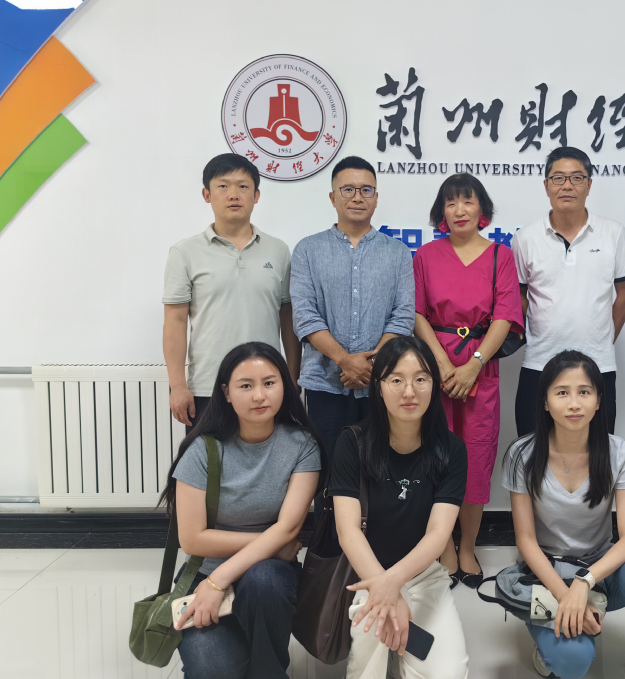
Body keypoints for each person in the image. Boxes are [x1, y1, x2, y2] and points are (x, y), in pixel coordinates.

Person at [503, 350, 625, 679]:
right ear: (545, 402)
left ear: (598, 401)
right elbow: (526, 540)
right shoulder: (522, 454)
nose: (574, 403)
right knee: (575, 660)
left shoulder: (617, 452)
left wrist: (584, 583)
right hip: (544, 573)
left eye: (584, 392)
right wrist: (565, 596)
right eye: (562, 392)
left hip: (598, 568)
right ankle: (546, 646)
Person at [160, 341, 323, 679]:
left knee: (264, 581)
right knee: (213, 670)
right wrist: (273, 544)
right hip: (203, 575)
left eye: (269, 383)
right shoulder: (202, 449)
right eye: (246, 386)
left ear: (285, 385)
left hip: (267, 575)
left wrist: (219, 581)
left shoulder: (302, 445)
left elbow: (289, 529)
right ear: (227, 393)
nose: (259, 396)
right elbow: (192, 540)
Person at [326, 336, 469, 679]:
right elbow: (348, 531)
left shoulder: (451, 449)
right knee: (368, 671)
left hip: (424, 576)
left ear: (434, 384)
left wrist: (394, 584)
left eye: (421, 379)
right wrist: (384, 588)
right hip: (366, 574)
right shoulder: (352, 442)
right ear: (378, 387)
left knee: (449, 674)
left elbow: (438, 534)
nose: (409, 391)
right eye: (396, 380)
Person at [413, 173, 525, 589]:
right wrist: (442, 365)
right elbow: (417, 314)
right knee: (434, 455)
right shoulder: (425, 256)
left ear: (483, 210)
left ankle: (467, 547)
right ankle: (442, 545)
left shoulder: (500, 256)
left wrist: (474, 364)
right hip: (435, 368)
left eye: (468, 201)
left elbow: (506, 316)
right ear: (441, 212)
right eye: (451, 202)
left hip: (482, 368)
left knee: (476, 459)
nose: (460, 210)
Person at [291, 155, 415, 516]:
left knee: (382, 470)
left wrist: (371, 365)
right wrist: (345, 360)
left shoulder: (397, 253)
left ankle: (379, 543)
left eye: (366, 190)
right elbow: (305, 316)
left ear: (376, 198)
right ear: (333, 197)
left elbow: (403, 316)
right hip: (325, 384)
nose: (358, 197)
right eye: (348, 189)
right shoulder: (308, 250)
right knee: (328, 470)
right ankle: (329, 546)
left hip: (382, 385)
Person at [163, 154, 299, 428]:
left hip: (266, 386)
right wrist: (177, 385)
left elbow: (288, 318)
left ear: (256, 195)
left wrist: (291, 379)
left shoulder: (279, 250)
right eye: (223, 186)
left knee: (268, 456)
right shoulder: (185, 252)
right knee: (209, 456)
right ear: (207, 195)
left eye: (243, 186)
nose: (233, 194)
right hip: (208, 386)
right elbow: (175, 321)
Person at [512, 146, 625, 437]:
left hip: (597, 364)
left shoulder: (613, 233)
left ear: (589, 185)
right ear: (546, 186)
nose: (567, 185)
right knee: (531, 449)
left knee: (597, 451)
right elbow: (519, 296)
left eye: (576, 178)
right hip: (539, 362)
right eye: (558, 178)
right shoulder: (525, 238)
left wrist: (603, 336)